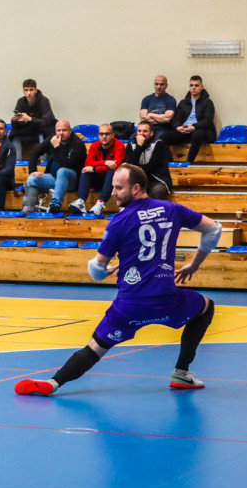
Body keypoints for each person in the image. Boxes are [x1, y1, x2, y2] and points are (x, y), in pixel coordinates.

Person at [15, 163, 221, 396]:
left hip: (129, 306)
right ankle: (182, 373)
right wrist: (194, 264)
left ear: (135, 188)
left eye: (118, 187)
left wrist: (105, 269)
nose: (113, 192)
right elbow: (214, 229)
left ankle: (54, 383)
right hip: (167, 300)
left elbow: (96, 270)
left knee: (95, 348)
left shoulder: (119, 222)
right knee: (206, 307)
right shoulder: (171, 209)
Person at [22, 119, 87, 215]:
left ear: (70, 130)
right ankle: (29, 209)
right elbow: (35, 152)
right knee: (32, 179)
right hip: (54, 178)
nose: (61, 133)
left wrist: (57, 147)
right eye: (58, 130)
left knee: (62, 171)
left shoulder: (78, 144)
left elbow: (67, 163)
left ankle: (55, 204)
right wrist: (33, 170)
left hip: (72, 181)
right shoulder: (52, 138)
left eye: (64, 130)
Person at [69, 123, 124, 216]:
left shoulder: (119, 145)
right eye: (101, 134)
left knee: (111, 171)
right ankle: (81, 201)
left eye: (107, 134)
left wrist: (94, 169)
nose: (104, 137)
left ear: (112, 135)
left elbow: (116, 165)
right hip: (97, 180)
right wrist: (105, 162)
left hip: (112, 182)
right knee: (86, 170)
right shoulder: (94, 145)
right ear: (98, 135)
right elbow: (88, 163)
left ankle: (101, 203)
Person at [163, 75, 217, 163]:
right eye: (191, 85)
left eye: (196, 85)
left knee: (197, 134)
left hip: (201, 130)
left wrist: (194, 127)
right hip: (184, 130)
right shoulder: (183, 103)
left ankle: (189, 162)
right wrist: (178, 127)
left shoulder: (207, 102)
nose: (193, 88)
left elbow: (208, 120)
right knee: (163, 138)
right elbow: (176, 118)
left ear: (202, 87)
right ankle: (170, 163)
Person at [9, 78, 56, 162]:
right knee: (14, 135)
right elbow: (17, 124)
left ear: (36, 90)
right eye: (26, 90)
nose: (28, 93)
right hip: (27, 129)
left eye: (31, 90)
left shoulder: (44, 100)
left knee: (45, 134)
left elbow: (48, 121)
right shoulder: (20, 101)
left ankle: (43, 162)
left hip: (41, 129)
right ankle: (17, 162)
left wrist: (30, 119)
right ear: (23, 91)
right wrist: (15, 120)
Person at [124, 120, 173, 200]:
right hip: (138, 180)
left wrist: (137, 169)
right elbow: (131, 165)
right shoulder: (131, 145)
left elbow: (152, 167)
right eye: (139, 131)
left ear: (151, 133)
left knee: (157, 191)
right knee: (128, 190)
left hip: (157, 179)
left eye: (145, 131)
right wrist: (139, 147)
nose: (141, 133)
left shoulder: (158, 144)